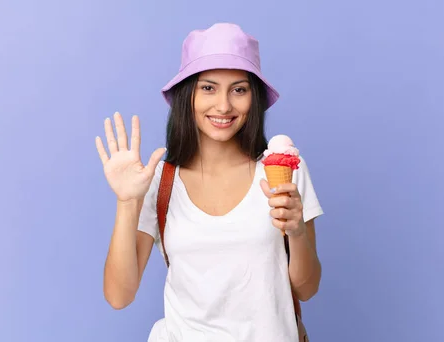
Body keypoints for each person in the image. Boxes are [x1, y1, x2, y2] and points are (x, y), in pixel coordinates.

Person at [95, 23, 324, 341]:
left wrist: (297, 230)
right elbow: (119, 296)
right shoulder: (159, 182)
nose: (224, 105)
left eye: (239, 89)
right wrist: (126, 201)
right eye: (208, 88)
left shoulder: (283, 170)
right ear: (188, 95)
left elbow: (307, 288)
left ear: (253, 98)